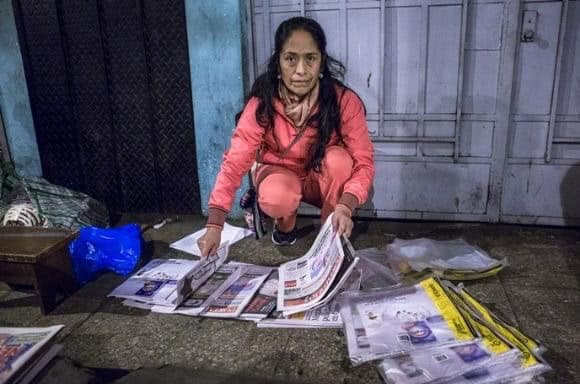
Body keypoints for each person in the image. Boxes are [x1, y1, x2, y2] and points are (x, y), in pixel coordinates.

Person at [198, 16, 375, 257]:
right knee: (278, 195)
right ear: (279, 62)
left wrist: (346, 206)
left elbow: (363, 163)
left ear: (321, 62)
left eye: (310, 58)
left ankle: (330, 233)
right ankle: (284, 228)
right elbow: (235, 161)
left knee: (340, 161)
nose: (301, 71)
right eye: (291, 59)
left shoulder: (344, 101)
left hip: (318, 177)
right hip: (278, 175)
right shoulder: (262, 102)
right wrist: (215, 224)